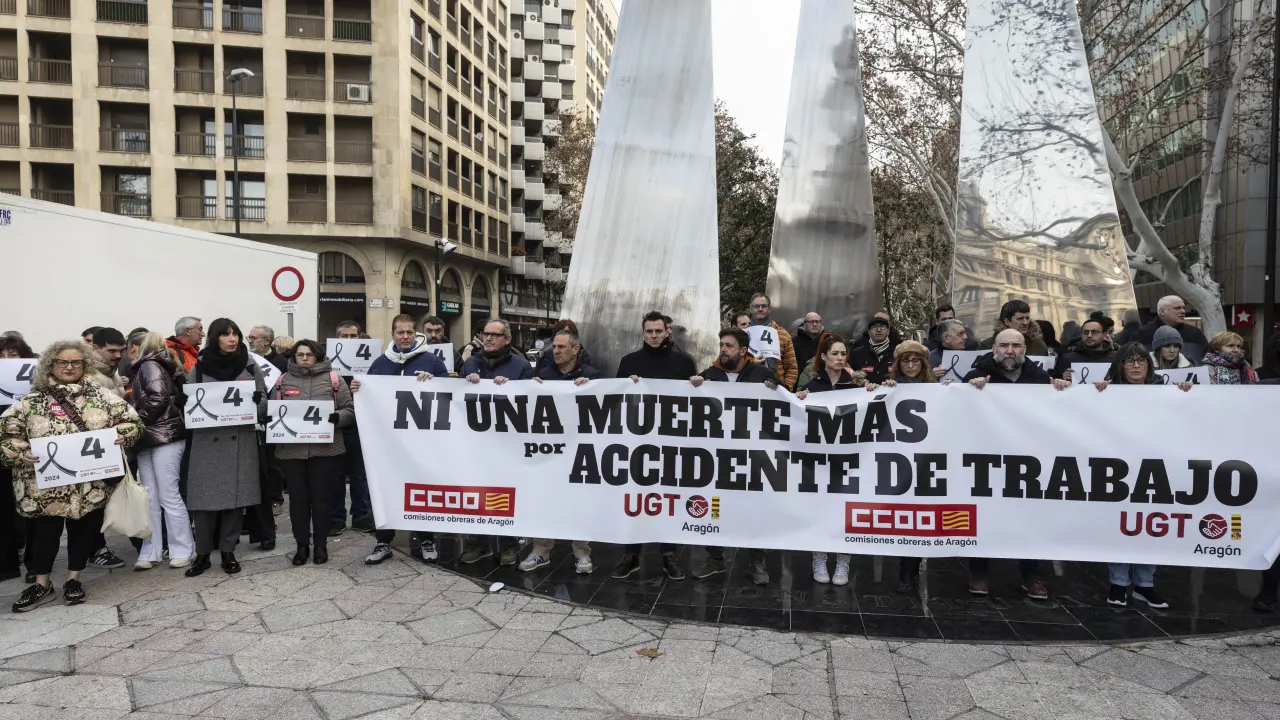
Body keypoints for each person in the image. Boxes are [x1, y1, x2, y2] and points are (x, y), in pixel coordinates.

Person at [1, 340, 142, 611]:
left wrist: (120, 435)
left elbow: (133, 422)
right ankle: (41, 584)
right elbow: (6, 436)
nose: (69, 367)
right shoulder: (29, 403)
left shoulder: (102, 397)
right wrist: (21, 452)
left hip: (89, 484)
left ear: (85, 365)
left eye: (76, 362)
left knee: (83, 532)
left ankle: (73, 580)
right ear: (50, 365)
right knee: (44, 535)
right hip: (45, 486)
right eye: (62, 362)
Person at [964, 329, 1069, 600]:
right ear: (994, 348)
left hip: (1028, 463)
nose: (1010, 350)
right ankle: (979, 573)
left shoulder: (1040, 378)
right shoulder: (976, 375)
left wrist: (1061, 389)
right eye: (1004, 345)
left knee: (1029, 518)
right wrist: (969, 388)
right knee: (984, 516)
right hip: (987, 461)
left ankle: (1031, 575)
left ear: (1025, 349)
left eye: (1016, 345)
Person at [1092, 342, 1190, 609]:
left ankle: (1145, 584)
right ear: (1120, 365)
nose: (1136, 366)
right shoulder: (1106, 392)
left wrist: (1185, 393)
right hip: (1118, 469)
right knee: (1120, 523)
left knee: (1150, 523)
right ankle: (1118, 582)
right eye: (1129, 361)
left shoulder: (1166, 391)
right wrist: (1094, 393)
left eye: (1141, 360)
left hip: (1154, 468)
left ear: (1149, 364)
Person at [353, 314, 450, 565]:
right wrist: (358, 390)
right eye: (400, 332)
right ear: (392, 334)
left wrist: (436, 382)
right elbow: (370, 395)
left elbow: (449, 396)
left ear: (416, 334)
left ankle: (426, 539)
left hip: (422, 442)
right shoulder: (380, 363)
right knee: (385, 488)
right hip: (388, 442)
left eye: (409, 332)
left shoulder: (432, 361)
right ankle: (383, 541)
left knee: (422, 488)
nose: (405, 337)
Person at [687, 328, 779, 585]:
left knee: (753, 506)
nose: (723, 349)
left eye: (729, 345)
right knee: (716, 506)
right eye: (721, 345)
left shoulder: (761, 374)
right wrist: (694, 386)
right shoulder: (709, 375)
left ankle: (757, 559)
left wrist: (775, 388)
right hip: (718, 456)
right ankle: (715, 557)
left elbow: (784, 401)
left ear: (743, 350)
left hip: (753, 455)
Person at [612, 311, 697, 581]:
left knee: (668, 498)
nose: (654, 336)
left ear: (667, 331)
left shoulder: (684, 362)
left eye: (658, 331)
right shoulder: (629, 362)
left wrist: (697, 384)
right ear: (643, 333)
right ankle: (631, 554)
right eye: (649, 331)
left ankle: (668, 553)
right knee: (635, 497)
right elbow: (616, 400)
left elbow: (693, 403)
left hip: (671, 442)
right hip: (637, 442)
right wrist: (627, 386)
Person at [183, 319, 268, 577]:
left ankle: (228, 551)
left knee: (235, 500)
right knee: (203, 502)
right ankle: (203, 554)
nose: (232, 339)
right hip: (207, 442)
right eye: (226, 334)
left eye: (235, 334)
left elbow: (265, 400)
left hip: (239, 439)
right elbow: (189, 402)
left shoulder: (250, 365)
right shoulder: (199, 366)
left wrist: (258, 403)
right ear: (214, 338)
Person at [522, 329, 601, 574]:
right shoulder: (543, 374)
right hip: (549, 451)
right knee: (545, 498)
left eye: (561, 347)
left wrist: (592, 388)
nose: (555, 351)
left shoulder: (592, 375)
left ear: (575, 349)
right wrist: (531, 388)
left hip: (579, 450)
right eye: (554, 347)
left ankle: (582, 552)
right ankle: (541, 550)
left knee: (580, 501)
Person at [458, 319, 533, 565]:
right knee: (477, 491)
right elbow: (455, 399)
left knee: (505, 492)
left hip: (507, 443)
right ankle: (480, 543)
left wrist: (511, 389)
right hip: (476, 443)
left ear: (507, 339)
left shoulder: (521, 366)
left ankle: (509, 544)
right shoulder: (470, 362)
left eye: (495, 334)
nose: (488, 338)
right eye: (485, 333)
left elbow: (530, 402)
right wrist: (463, 382)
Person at [274, 340, 354, 567]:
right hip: (292, 451)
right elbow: (272, 409)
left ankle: (320, 545)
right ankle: (301, 545)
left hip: (325, 450)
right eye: (300, 355)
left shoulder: (334, 379)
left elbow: (350, 410)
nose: (304, 358)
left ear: (317, 356)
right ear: (294, 357)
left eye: (309, 354)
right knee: (298, 501)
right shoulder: (282, 380)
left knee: (321, 500)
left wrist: (338, 418)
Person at [794, 334, 861, 586]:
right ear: (823, 357)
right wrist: (798, 399)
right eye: (835, 353)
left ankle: (843, 560)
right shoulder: (813, 387)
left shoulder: (855, 386)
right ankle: (819, 557)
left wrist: (876, 390)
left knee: (846, 510)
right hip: (819, 460)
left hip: (848, 459)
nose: (840, 358)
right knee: (819, 509)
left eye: (843, 354)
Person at [126, 332, 194, 571]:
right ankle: (172, 550)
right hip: (160, 435)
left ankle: (166, 550)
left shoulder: (148, 365)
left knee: (161, 496)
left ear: (138, 346)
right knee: (159, 496)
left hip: (157, 435)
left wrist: (135, 423)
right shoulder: (160, 364)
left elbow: (158, 398)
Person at [0, 335, 37, 584]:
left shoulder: (36, 379)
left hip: (30, 450)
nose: (6, 360)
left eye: (12, 355)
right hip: (3, 450)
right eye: (1, 356)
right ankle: (7, 564)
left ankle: (35, 564)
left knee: (33, 508)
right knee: (3, 507)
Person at [331, 321, 375, 534]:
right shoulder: (328, 362)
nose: (349, 340)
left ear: (360, 337)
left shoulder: (371, 361)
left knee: (361, 474)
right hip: (337, 425)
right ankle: (336, 518)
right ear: (337, 338)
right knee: (335, 474)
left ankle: (361, 516)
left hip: (362, 425)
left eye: (353, 336)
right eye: (344, 336)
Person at [1134, 295, 1209, 362]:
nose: (1183, 311)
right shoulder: (1142, 335)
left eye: (1183, 308)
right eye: (1177, 308)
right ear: (1162, 312)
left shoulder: (1195, 334)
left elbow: (1207, 358)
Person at [747, 293, 798, 390]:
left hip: (776, 389)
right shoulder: (743, 334)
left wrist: (785, 389)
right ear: (750, 308)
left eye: (764, 306)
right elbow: (736, 365)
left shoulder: (782, 334)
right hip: (748, 388)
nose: (760, 309)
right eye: (756, 306)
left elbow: (792, 367)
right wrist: (750, 362)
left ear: (769, 309)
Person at [1055, 312, 1117, 382]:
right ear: (1081, 335)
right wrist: (1062, 378)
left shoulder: (1116, 358)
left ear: (1104, 335)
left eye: (1094, 332)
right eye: (1086, 332)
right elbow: (1053, 382)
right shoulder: (1067, 359)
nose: (1089, 336)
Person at [978, 300, 1049, 356]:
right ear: (1007, 321)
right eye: (1020, 319)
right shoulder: (986, 346)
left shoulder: (1038, 345)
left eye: (1027, 318)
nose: (1025, 322)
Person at [848, 314, 901, 384]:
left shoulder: (898, 352)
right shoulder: (857, 354)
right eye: (874, 327)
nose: (878, 330)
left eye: (882, 326)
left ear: (888, 331)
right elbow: (851, 376)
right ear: (869, 332)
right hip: (865, 390)